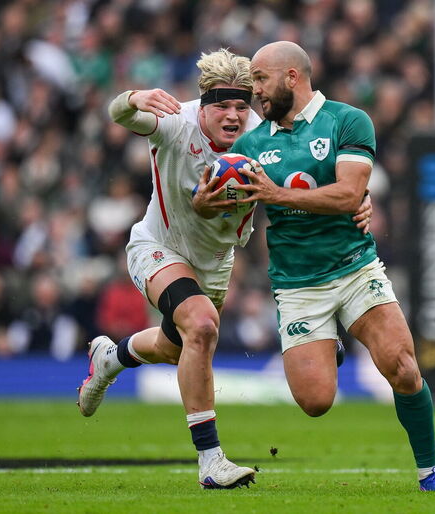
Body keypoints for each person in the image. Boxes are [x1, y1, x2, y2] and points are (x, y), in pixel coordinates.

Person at [75, 47, 374, 489]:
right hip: (159, 246)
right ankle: (211, 461)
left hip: (216, 264)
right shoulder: (175, 121)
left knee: (180, 347)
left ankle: (111, 358)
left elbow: (313, 175)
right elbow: (117, 114)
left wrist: (359, 200)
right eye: (222, 106)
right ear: (204, 104)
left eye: (241, 104)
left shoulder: (262, 134)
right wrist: (133, 97)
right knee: (202, 325)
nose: (234, 115)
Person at [227, 41, 435, 492]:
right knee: (316, 402)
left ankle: (429, 473)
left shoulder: (348, 121)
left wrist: (278, 196)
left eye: (260, 79)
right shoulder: (251, 143)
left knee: (403, 366)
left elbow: (349, 195)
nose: (255, 91)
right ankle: (328, 343)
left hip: (355, 267)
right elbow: (225, 204)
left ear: (291, 76)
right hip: (298, 284)